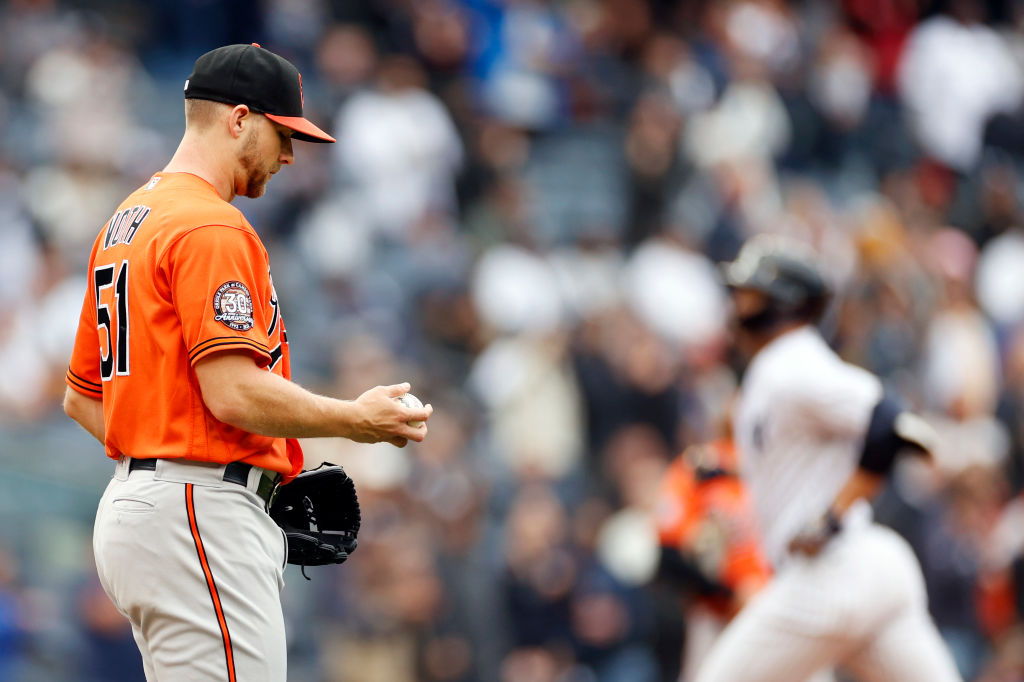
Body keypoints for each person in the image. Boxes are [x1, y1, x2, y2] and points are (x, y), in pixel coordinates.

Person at [62, 43, 433, 681]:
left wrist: (172, 461)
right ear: (239, 120)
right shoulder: (212, 226)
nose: (289, 155)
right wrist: (353, 420)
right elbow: (231, 392)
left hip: (146, 510)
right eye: (281, 133)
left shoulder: (129, 220)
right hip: (195, 516)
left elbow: (84, 398)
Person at [694, 235, 962, 682]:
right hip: (875, 570)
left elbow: (888, 419)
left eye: (749, 293)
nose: (737, 306)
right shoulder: (779, 369)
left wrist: (833, 515)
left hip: (829, 575)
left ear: (782, 300)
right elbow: (798, 463)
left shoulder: (788, 360)